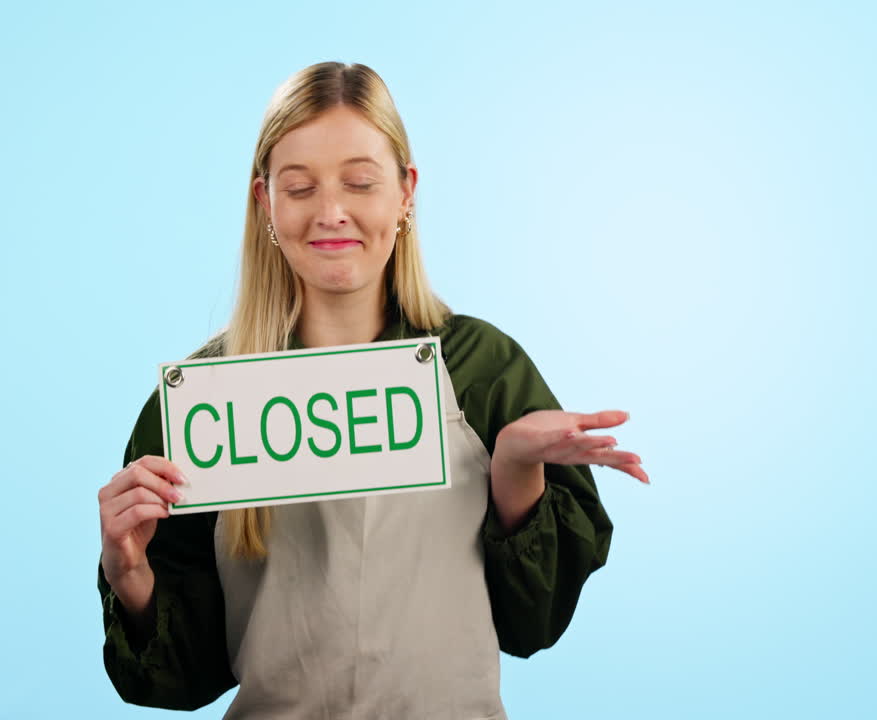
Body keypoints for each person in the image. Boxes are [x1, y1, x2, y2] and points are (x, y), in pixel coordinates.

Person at [95, 61, 647, 719]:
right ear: (264, 201)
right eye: (300, 187)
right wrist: (130, 573)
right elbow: (182, 679)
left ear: (406, 193)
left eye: (360, 182)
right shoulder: (203, 405)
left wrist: (515, 471)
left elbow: (535, 624)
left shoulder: (483, 368)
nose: (332, 213)